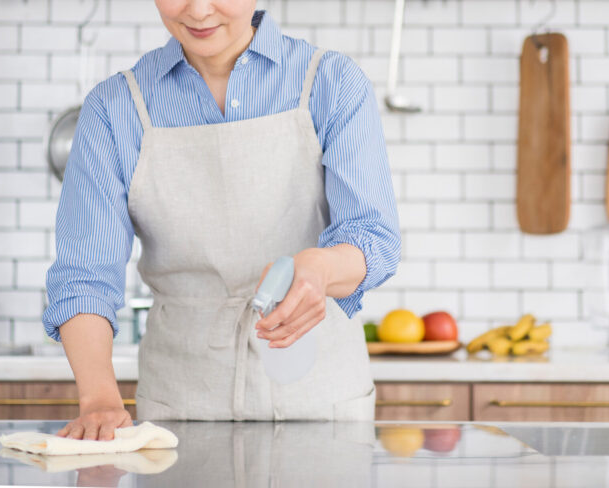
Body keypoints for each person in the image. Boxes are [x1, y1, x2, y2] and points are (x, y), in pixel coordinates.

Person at [42, 0, 400, 441]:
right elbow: (85, 276)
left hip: (320, 398)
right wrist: (99, 399)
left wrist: (320, 271)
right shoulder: (114, 109)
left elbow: (373, 237)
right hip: (181, 405)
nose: (197, 10)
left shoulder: (331, 83)